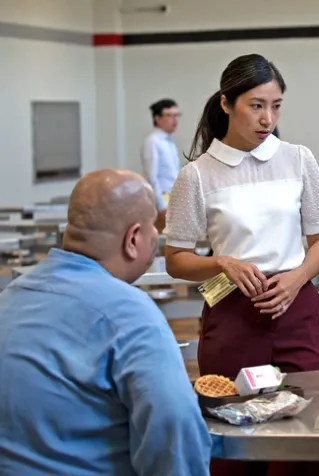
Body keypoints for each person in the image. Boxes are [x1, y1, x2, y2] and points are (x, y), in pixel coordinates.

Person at [163, 53, 319, 476]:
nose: (267, 118)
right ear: (226, 103)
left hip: (296, 307)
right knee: (234, 440)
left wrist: (296, 279)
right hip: (231, 310)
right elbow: (176, 261)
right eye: (256, 106)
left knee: (303, 440)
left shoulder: (298, 159)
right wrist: (221, 263)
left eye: (275, 106)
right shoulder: (197, 175)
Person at [0, 170, 211, 476]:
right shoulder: (131, 315)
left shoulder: (9, 297)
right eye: (155, 226)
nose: (157, 236)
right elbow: (175, 432)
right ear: (134, 238)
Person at [141, 98, 182, 231]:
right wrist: (161, 206)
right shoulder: (153, 142)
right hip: (162, 202)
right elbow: (151, 177)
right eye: (169, 115)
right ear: (157, 118)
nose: (174, 120)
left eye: (176, 115)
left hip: (172, 199)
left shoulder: (169, 142)